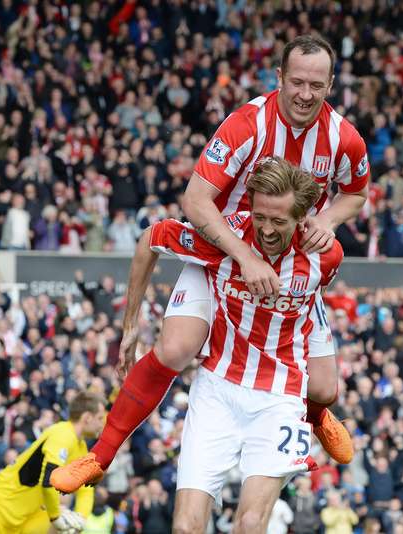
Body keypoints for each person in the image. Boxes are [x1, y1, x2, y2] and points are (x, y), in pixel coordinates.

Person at [53, 34, 369, 492]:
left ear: (331, 84)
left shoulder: (343, 137)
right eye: (296, 82)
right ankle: (99, 456)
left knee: (324, 387)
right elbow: (196, 200)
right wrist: (242, 255)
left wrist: (328, 218)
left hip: (289, 262)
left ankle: (317, 413)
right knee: (177, 348)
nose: (305, 94)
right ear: (279, 78)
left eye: (316, 85)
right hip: (223, 251)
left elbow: (357, 191)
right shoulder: (246, 126)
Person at [54, 158, 344, 533]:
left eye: (279, 221)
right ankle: (100, 454)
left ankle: (317, 414)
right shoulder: (222, 240)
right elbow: (151, 240)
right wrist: (130, 327)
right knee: (185, 528)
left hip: (279, 397)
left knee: (251, 524)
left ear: (302, 219)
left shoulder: (326, 256)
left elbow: (313, 307)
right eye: (260, 217)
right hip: (217, 391)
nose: (267, 230)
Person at [0, 391, 105, 534]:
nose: (103, 423)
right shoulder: (62, 434)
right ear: (87, 417)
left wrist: (81, 518)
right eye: (100, 418)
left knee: (67, 527)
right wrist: (55, 517)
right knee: (60, 524)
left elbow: (86, 490)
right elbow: (48, 481)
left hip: (25, 517)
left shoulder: (81, 447)